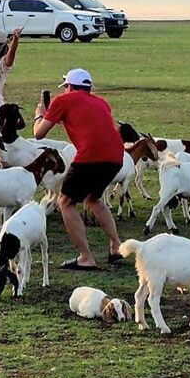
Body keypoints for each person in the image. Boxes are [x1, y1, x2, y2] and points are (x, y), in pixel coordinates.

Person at [33, 69, 125, 270]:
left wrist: (39, 115)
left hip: (90, 156)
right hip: (116, 156)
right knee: (93, 198)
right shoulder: (101, 103)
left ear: (69, 86)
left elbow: (39, 134)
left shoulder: (62, 101)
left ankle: (86, 257)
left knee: (65, 201)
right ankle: (116, 246)